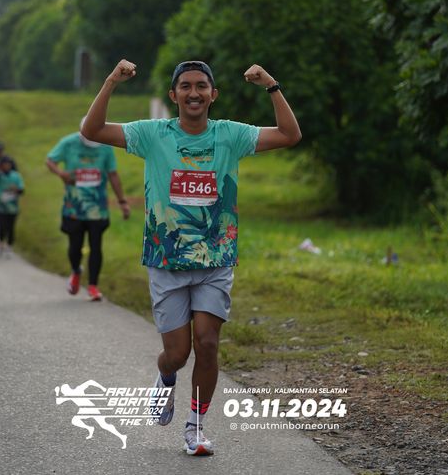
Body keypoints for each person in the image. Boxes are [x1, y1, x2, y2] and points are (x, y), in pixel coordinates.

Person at [81, 58, 302, 456]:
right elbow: (92, 130)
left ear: (213, 94)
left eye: (202, 86)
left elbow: (290, 134)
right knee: (177, 355)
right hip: (166, 261)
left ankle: (195, 428)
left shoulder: (230, 135)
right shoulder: (152, 134)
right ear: (174, 95)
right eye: (185, 86)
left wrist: (272, 85)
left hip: (215, 260)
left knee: (208, 343)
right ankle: (165, 378)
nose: (194, 93)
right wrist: (112, 81)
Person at [46, 118, 131, 301]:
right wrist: (61, 173)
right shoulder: (68, 143)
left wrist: (122, 201)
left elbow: (113, 174)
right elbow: (50, 160)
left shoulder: (106, 147)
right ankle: (76, 270)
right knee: (75, 246)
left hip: (97, 208)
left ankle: (93, 286)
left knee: (96, 245)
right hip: (74, 207)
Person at [0, 156, 24, 255]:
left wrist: (16, 189)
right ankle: (0, 243)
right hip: (0, 206)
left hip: (12, 207)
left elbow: (21, 190)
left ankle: (9, 245)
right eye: (5, 164)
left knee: (11, 227)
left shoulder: (16, 176)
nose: (7, 166)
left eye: (8, 164)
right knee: (1, 225)